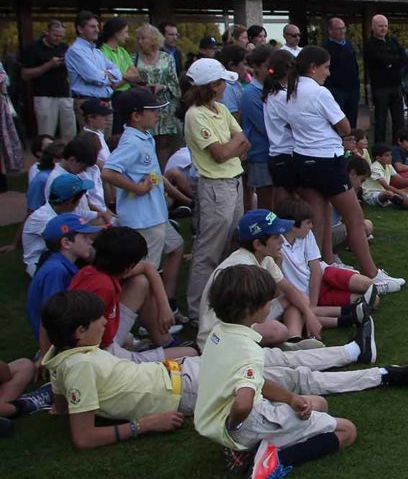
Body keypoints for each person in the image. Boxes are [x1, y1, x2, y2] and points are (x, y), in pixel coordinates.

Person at [40, 286, 408, 453]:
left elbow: (62, 402)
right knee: (292, 377)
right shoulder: (79, 367)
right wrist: (144, 425)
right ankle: (378, 374)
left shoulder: (61, 356)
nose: (106, 325)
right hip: (184, 387)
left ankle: (354, 351)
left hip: (184, 371)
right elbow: (84, 437)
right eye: (97, 322)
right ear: (78, 332)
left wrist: (56, 407)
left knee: (282, 364)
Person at [195, 266, 369, 476]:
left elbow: (251, 382)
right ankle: (270, 463)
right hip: (247, 422)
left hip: (216, 420)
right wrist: (234, 427)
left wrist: (290, 398)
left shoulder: (218, 333)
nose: (272, 303)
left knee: (319, 404)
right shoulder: (248, 351)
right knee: (347, 430)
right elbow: (243, 403)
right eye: (268, 300)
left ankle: (249, 446)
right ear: (252, 308)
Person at [285, 47, 405, 289]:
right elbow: (345, 127)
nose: (328, 73)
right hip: (326, 161)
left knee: (317, 221)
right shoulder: (319, 92)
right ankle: (373, 276)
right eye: (326, 67)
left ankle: (320, 274)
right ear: (313, 67)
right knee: (355, 217)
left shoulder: (292, 90)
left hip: (302, 159)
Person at [196, 209, 326, 351]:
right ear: (258, 244)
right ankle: (280, 343)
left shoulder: (265, 258)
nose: (282, 241)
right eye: (276, 237)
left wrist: (309, 314)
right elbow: (245, 315)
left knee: (299, 297)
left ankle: (294, 339)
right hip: (220, 334)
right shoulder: (244, 269)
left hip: (242, 319)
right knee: (278, 330)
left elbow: (287, 289)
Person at [102, 88, 185, 311]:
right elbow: (109, 172)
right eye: (152, 111)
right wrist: (137, 189)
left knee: (176, 247)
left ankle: (168, 302)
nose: (157, 114)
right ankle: (147, 318)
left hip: (156, 215)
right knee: (148, 271)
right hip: (144, 220)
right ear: (136, 116)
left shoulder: (145, 137)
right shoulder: (131, 143)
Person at [183, 58, 250, 324]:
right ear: (211, 85)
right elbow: (221, 153)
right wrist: (233, 147)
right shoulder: (195, 115)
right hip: (214, 186)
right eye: (221, 82)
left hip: (233, 182)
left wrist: (232, 147)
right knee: (208, 251)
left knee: (231, 247)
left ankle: (222, 303)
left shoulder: (220, 109)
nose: (225, 86)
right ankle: (196, 311)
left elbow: (244, 141)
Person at [67, 226, 196, 363]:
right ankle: (141, 352)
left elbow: (148, 267)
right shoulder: (103, 288)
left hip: (100, 341)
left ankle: (161, 343)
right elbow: (95, 341)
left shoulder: (91, 271)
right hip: (101, 354)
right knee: (191, 353)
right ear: (128, 267)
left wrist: (164, 306)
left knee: (141, 282)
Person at [26, 213, 100, 347]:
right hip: (56, 343)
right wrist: (47, 353)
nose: (90, 242)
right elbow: (52, 315)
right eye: (84, 238)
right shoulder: (56, 271)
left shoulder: (60, 265)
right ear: (66, 243)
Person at [21, 173, 98, 277]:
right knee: (84, 249)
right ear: (71, 201)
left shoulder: (65, 210)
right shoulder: (43, 218)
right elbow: (71, 241)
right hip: (41, 264)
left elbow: (96, 217)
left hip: (57, 255)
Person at [133, 23, 182, 170]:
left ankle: (163, 173)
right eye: (138, 39)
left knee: (165, 142)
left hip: (165, 105)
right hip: (144, 105)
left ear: (153, 39)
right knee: (146, 139)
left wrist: (164, 86)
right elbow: (129, 81)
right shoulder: (134, 58)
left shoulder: (167, 58)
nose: (140, 42)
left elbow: (175, 81)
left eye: (144, 38)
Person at [21, 19, 75, 141]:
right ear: (46, 32)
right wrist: (49, 65)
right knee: (46, 134)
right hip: (44, 95)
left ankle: (69, 157)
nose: (58, 39)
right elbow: (25, 74)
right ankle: (46, 158)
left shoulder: (64, 47)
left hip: (65, 94)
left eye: (61, 36)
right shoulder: (34, 48)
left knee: (70, 131)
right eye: (55, 35)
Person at [66, 11, 121, 129]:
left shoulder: (97, 52)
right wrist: (108, 76)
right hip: (88, 103)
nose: (97, 30)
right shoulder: (75, 51)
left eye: (97, 26)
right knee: (93, 143)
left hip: (106, 102)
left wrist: (106, 75)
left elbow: (118, 72)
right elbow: (93, 77)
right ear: (80, 29)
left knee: (105, 144)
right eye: (92, 26)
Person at [364, 14, 407, 144]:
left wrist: (390, 62)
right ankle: (380, 150)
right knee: (381, 121)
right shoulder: (369, 45)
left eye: (386, 26)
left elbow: (404, 58)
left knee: (399, 121)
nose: (383, 29)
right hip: (380, 88)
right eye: (380, 26)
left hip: (396, 86)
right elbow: (378, 60)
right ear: (373, 27)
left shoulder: (393, 41)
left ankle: (398, 148)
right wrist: (392, 61)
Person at [263, 49, 298, 206]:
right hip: (286, 153)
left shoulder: (270, 94)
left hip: (276, 154)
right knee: (291, 202)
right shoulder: (281, 96)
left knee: (283, 199)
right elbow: (296, 122)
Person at [241, 46, 275, 210]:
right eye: (268, 67)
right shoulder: (250, 93)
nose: (272, 71)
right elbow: (265, 126)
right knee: (266, 205)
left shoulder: (273, 90)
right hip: (261, 155)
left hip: (274, 153)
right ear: (256, 67)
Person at [323, 17, 360, 128]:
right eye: (338, 29)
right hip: (336, 90)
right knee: (338, 121)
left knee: (352, 120)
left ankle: (351, 142)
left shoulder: (348, 45)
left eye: (343, 28)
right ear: (330, 31)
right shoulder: (325, 48)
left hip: (352, 90)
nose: (342, 31)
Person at [217, 44, 248, 119]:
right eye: (244, 64)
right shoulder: (226, 88)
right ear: (231, 65)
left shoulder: (236, 84)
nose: (247, 69)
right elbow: (233, 119)